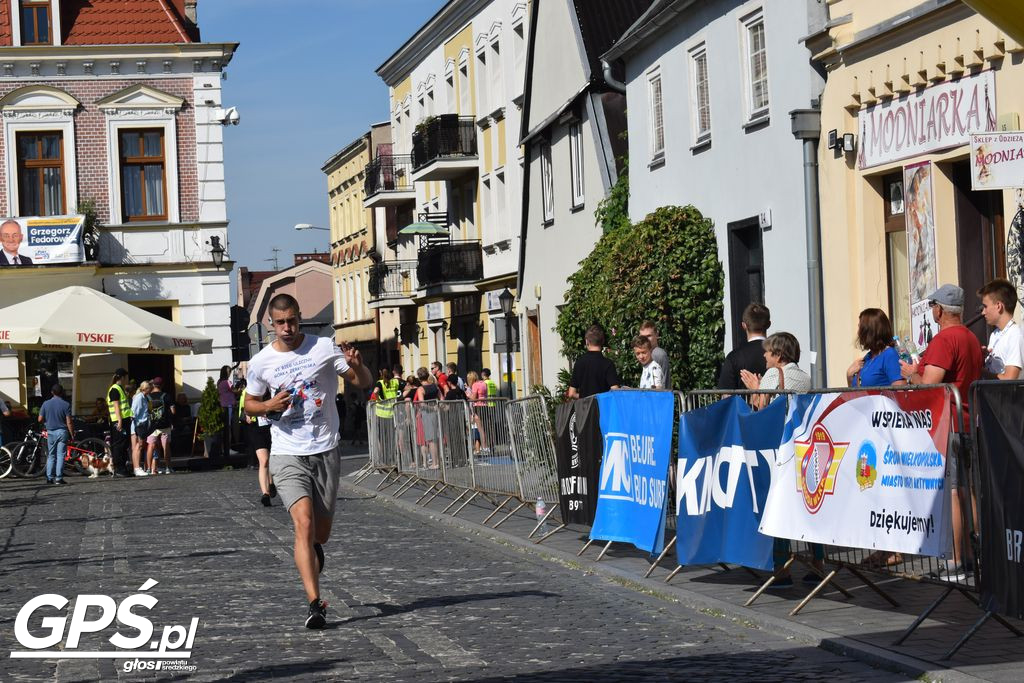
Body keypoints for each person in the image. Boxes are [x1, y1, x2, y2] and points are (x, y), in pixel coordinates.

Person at [244, 293, 372, 629]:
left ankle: (315, 548)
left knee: (320, 533)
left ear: (300, 318)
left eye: (292, 321)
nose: (287, 328)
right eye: (280, 323)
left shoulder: (323, 348)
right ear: (270, 324)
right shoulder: (261, 362)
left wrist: (357, 365)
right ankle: (315, 603)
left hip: (326, 449)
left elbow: (363, 382)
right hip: (286, 452)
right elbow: (249, 404)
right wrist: (269, 406)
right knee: (301, 522)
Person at [900, 284, 983, 580]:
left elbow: (930, 383)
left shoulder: (946, 339)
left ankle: (957, 562)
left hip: (952, 422)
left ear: (940, 310)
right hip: (968, 421)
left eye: (933, 306)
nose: (932, 311)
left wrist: (912, 374)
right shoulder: (971, 338)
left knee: (955, 491)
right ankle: (972, 557)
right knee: (967, 491)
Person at [740, 332, 812, 408]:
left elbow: (761, 409)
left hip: (780, 419)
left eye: (767, 351)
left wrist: (755, 390)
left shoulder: (774, 372)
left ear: (778, 355)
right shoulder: (806, 377)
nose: (764, 355)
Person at [846, 309, 905, 387]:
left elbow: (900, 391)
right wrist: (849, 376)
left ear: (870, 331)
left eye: (860, 328)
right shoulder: (868, 357)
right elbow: (854, 395)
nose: (858, 332)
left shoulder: (889, 355)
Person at [718, 303, 771, 390]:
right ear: (769, 324)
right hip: (776, 404)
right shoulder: (779, 355)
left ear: (744, 325)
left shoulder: (734, 357)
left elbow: (726, 395)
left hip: (741, 403)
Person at [978, 278, 1022, 380]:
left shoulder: (1015, 334)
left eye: (985, 306)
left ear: (998, 306)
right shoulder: (995, 334)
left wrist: (980, 371)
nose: (983, 312)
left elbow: (1010, 379)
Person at [566, 325, 621, 399]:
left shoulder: (579, 363)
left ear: (586, 341)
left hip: (584, 408)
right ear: (603, 341)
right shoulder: (608, 364)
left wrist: (585, 397)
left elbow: (571, 393)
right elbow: (616, 391)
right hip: (602, 408)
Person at [243, 391, 276, 507]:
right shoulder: (251, 391)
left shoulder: (272, 389)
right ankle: (265, 494)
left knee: (271, 459)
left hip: (272, 428)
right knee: (264, 460)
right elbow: (246, 408)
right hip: (256, 429)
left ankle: (271, 482)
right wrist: (247, 413)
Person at [39, 384, 74, 485]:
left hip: (51, 432)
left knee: (51, 455)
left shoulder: (46, 404)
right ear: (62, 392)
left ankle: (49, 478)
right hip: (62, 432)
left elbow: (40, 419)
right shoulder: (66, 404)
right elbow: (69, 422)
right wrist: (72, 434)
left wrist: (47, 422)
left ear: (52, 392)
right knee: (61, 455)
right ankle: (59, 478)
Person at [146, 377, 175, 474]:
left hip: (152, 425)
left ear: (153, 385)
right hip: (164, 425)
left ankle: (149, 469)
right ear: (162, 385)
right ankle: (168, 468)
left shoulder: (148, 397)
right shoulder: (166, 396)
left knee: (151, 445)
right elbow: (173, 411)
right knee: (165, 446)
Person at [107, 368, 133, 476]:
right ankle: (119, 469)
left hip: (124, 420)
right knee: (119, 445)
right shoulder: (114, 389)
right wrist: (120, 421)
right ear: (122, 377)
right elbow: (116, 406)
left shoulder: (120, 388)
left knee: (124, 444)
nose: (126, 379)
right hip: (118, 421)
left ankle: (123, 468)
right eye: (126, 377)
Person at [414, 367, 440, 467]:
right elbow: (441, 399)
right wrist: (437, 407)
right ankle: (438, 462)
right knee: (437, 438)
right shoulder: (435, 386)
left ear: (419, 378)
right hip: (437, 413)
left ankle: (435, 463)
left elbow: (422, 404)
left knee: (431, 439)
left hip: (428, 414)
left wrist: (431, 408)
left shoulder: (421, 389)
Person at [639, 321, 672, 389]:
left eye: (649, 336)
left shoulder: (658, 354)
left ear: (656, 335)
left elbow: (660, 386)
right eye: (643, 337)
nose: (646, 339)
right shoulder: (646, 355)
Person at [130, 381, 153, 477]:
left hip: (140, 425)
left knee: (139, 446)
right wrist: (136, 426)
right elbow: (134, 412)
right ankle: (137, 468)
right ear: (146, 389)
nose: (151, 390)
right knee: (138, 446)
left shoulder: (144, 397)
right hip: (137, 425)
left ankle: (137, 468)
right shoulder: (139, 397)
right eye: (150, 388)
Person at [218, 365, 240, 454]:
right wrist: (241, 389)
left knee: (225, 428)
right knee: (229, 427)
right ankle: (228, 448)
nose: (230, 373)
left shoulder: (219, 382)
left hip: (223, 405)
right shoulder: (228, 382)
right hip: (229, 406)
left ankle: (224, 448)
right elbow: (235, 391)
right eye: (229, 371)